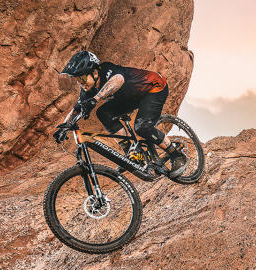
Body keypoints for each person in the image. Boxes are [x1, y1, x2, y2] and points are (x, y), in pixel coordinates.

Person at [57, 50, 187, 176]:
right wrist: (64, 126)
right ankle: (132, 154)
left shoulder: (107, 69)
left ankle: (177, 156)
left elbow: (118, 79)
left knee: (142, 127)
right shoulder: (88, 89)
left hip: (153, 88)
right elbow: (76, 109)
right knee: (103, 113)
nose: (80, 83)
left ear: (95, 72)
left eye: (82, 78)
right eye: (78, 80)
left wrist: (95, 99)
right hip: (130, 97)